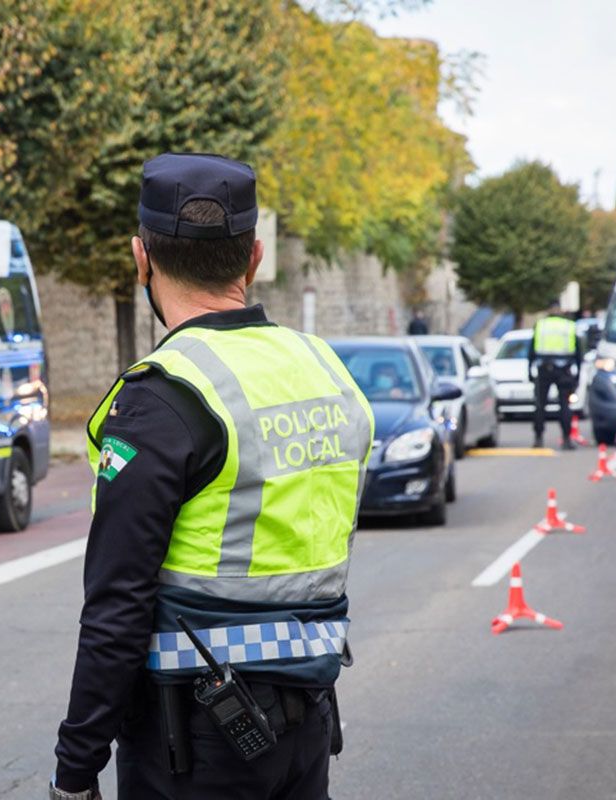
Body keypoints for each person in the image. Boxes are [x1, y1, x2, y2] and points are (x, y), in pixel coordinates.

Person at [51, 153, 374, 800]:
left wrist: (75, 770)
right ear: (253, 258)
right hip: (306, 723)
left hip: (194, 742)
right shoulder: (326, 371)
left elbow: (118, 607)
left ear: (141, 259)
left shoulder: (162, 398)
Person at [528, 302, 583, 450]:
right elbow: (578, 353)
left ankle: (538, 439)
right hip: (564, 370)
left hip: (544, 369)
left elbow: (531, 351)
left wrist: (529, 371)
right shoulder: (568, 325)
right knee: (565, 405)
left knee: (540, 405)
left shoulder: (541, 325)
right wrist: (578, 374)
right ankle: (566, 439)